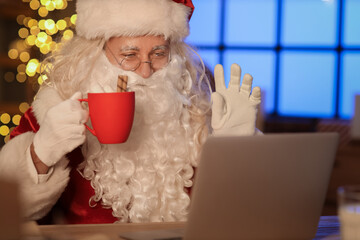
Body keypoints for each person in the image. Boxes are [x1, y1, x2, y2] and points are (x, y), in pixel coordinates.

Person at [0, 0, 261, 224]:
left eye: (159, 54)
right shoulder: (54, 114)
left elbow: (239, 221)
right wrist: (40, 155)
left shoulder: (198, 120)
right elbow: (9, 217)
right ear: (95, 55)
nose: (145, 71)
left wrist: (237, 155)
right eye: (129, 54)